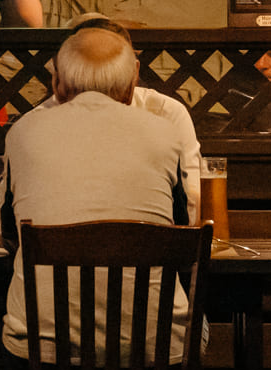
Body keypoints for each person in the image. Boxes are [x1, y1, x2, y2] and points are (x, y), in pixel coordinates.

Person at [1, 25, 199, 361]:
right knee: (195, 327)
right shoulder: (165, 134)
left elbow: (7, 234)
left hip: (42, 350)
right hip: (154, 351)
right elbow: (184, 232)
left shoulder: (23, 132)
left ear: (57, 81)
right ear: (132, 83)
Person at [33, 13, 200, 226]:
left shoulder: (166, 112)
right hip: (147, 246)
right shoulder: (36, 125)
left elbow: (191, 205)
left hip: (56, 247)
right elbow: (186, 216)